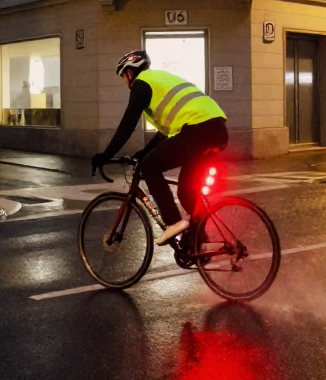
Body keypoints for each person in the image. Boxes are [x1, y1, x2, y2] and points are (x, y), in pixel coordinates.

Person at [91, 50, 228, 246]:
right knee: (186, 192)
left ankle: (172, 222)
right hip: (217, 130)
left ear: (130, 72)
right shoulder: (160, 80)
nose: (125, 82)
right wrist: (143, 153)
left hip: (198, 130)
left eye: (123, 76)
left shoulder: (142, 83)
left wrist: (105, 155)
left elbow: (127, 124)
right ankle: (198, 242)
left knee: (150, 166)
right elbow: (163, 135)